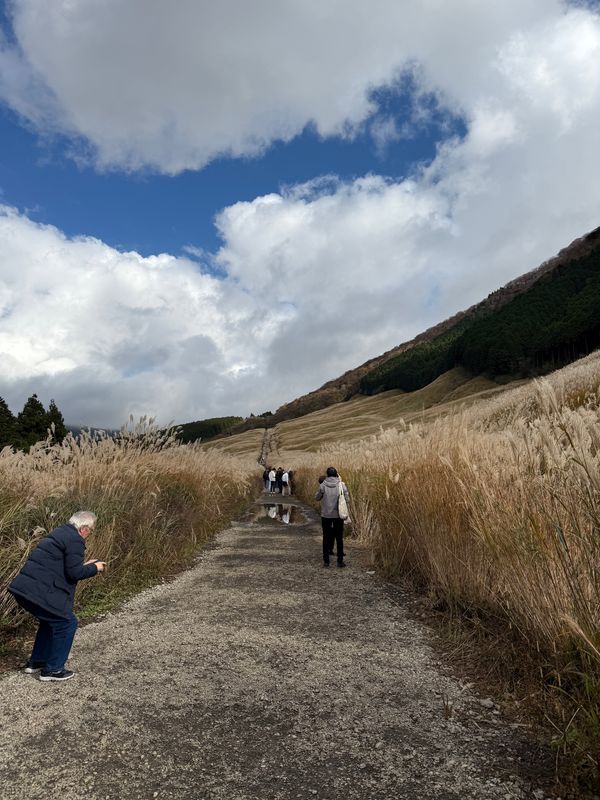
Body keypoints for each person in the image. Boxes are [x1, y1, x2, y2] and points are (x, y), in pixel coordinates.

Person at [8, 511, 106, 682]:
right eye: (90, 531)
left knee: (49, 620)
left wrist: (85, 565)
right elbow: (75, 573)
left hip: (24, 589)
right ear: (83, 528)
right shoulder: (75, 539)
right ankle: (53, 670)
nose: (89, 534)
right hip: (39, 591)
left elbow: (65, 567)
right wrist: (95, 568)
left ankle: (37, 662)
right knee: (67, 623)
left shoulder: (59, 533)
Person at [315, 467, 350, 568]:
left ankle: (326, 561)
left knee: (326, 537)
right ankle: (340, 561)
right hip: (338, 515)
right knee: (339, 538)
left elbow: (317, 498)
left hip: (326, 515)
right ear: (336, 474)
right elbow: (347, 499)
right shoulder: (341, 485)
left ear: (327, 474)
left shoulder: (323, 485)